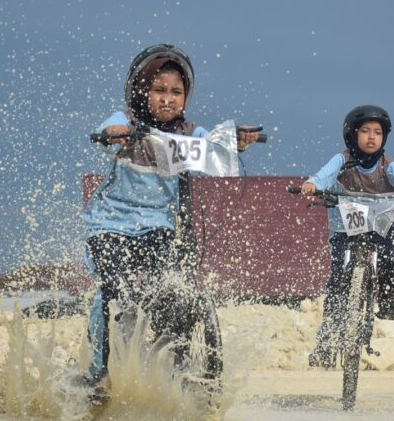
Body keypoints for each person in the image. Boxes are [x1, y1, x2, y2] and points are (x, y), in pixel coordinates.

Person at [81, 44, 262, 387]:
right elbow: (109, 130)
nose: (168, 99)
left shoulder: (186, 133)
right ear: (140, 91)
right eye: (159, 90)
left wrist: (236, 142)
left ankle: (174, 367)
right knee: (111, 290)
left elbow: (212, 143)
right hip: (110, 223)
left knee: (172, 288)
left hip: (159, 226)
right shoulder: (128, 122)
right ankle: (96, 373)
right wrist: (114, 135)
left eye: (176, 92)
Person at [299, 105, 394, 366]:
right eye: (365, 131)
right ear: (352, 135)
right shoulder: (342, 159)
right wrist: (313, 184)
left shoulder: (388, 165)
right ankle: (326, 341)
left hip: (380, 226)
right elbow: (324, 175)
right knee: (338, 280)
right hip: (346, 228)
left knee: (391, 262)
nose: (372, 137)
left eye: (378, 132)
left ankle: (384, 297)